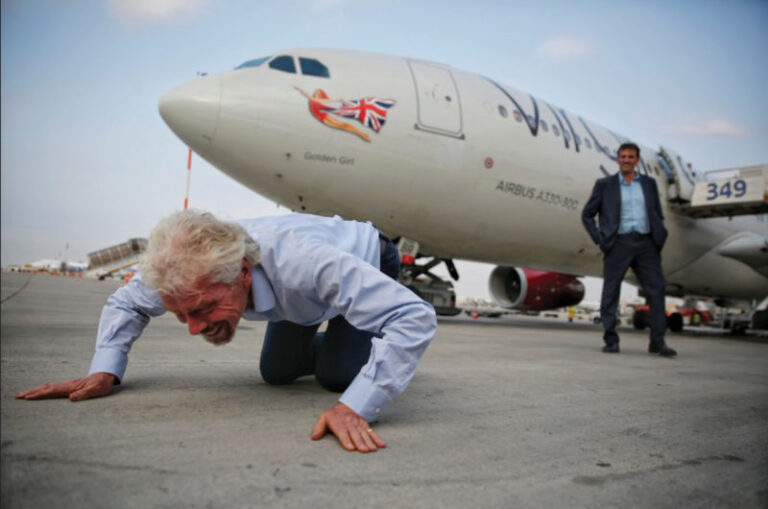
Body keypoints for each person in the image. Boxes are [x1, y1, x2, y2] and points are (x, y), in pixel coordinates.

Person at [15, 211, 437, 453]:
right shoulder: (183, 273)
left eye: (203, 309)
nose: (195, 328)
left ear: (242, 273)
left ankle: (363, 338)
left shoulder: (302, 263)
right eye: (181, 315)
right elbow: (126, 303)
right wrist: (103, 369)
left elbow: (414, 317)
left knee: (338, 376)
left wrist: (356, 406)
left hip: (368, 254)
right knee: (276, 373)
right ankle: (344, 344)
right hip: (300, 293)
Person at [581, 142, 677, 357]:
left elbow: (657, 213)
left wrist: (658, 237)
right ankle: (611, 341)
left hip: (646, 244)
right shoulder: (604, 185)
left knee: (657, 291)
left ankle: (658, 342)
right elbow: (587, 214)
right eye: (623, 156)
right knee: (610, 292)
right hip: (618, 244)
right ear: (618, 159)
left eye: (630, 157)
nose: (626, 160)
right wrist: (600, 239)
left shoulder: (649, 184)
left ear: (637, 160)